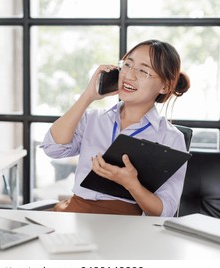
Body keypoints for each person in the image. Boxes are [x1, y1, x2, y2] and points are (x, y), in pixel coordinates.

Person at [40, 39, 190, 217]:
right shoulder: (93, 119)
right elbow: (53, 149)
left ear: (165, 86)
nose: (129, 75)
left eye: (143, 71)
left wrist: (132, 184)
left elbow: (165, 210)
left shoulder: (171, 137)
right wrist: (88, 96)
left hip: (125, 224)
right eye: (127, 64)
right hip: (76, 214)